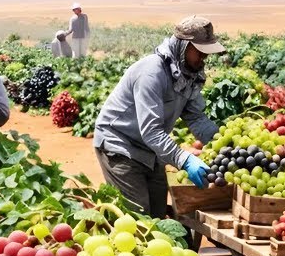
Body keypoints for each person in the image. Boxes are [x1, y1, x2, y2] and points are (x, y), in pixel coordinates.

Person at [92, 15, 225, 217]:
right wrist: (184, 159)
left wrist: (223, 144)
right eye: (199, 52)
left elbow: (196, 118)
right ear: (183, 46)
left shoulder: (189, 74)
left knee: (158, 215)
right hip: (120, 145)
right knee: (138, 217)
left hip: (150, 150)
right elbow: (152, 131)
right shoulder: (152, 73)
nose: (203, 58)